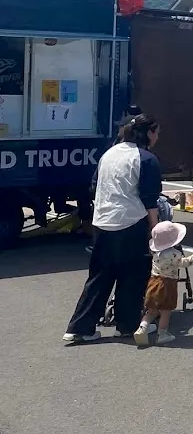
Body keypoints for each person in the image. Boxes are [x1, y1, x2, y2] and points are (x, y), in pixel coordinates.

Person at [63, 114, 163, 344]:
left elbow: (94, 186)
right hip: (130, 222)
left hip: (102, 222)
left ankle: (80, 326)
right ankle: (126, 325)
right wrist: (155, 228)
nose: (157, 137)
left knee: (99, 276)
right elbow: (150, 199)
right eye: (156, 132)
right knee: (132, 276)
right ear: (148, 133)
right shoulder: (146, 158)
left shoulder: (109, 153)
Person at [133, 221, 193, 346]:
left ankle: (142, 328)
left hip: (154, 282)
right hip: (167, 284)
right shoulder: (174, 254)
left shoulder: (154, 252)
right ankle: (162, 334)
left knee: (151, 311)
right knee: (165, 311)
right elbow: (185, 263)